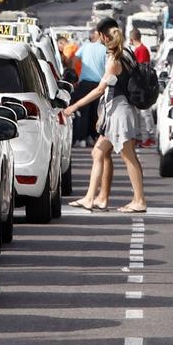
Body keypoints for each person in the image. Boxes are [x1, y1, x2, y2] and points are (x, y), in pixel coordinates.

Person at [62, 17, 146, 213]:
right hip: (118, 110)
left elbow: (100, 90)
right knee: (98, 151)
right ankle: (91, 198)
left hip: (120, 113)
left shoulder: (115, 61)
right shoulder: (127, 54)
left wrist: (73, 107)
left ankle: (139, 200)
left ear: (103, 36)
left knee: (128, 157)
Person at [74, 24, 107, 147]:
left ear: (95, 35)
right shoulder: (105, 50)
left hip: (85, 83)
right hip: (99, 85)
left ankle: (81, 139)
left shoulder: (85, 47)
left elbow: (75, 59)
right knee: (96, 113)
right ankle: (92, 136)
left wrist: (76, 74)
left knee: (83, 111)